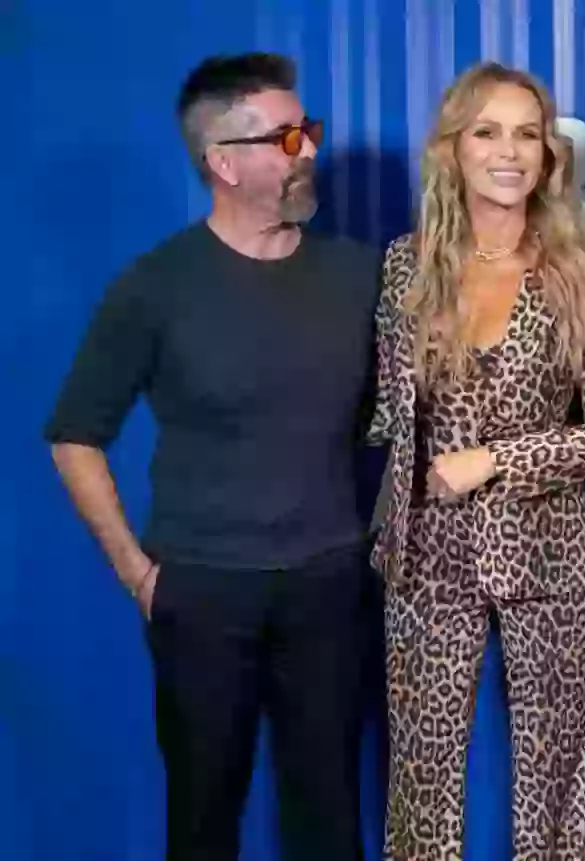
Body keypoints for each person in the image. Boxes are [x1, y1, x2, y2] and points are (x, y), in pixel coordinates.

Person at [44, 53, 378, 860]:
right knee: (202, 817)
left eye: (309, 129)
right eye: (286, 135)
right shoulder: (153, 288)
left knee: (329, 817)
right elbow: (74, 433)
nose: (308, 149)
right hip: (202, 594)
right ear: (222, 163)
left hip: (329, 588)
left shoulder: (361, 276)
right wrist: (138, 572)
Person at [367, 62, 585, 861]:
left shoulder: (583, 272)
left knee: (554, 777)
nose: (509, 151)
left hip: (550, 552)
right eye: (488, 131)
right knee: (420, 773)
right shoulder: (405, 265)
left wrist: (495, 458)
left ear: (550, 156)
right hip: (425, 552)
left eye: (528, 133)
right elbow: (391, 413)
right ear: (453, 148)